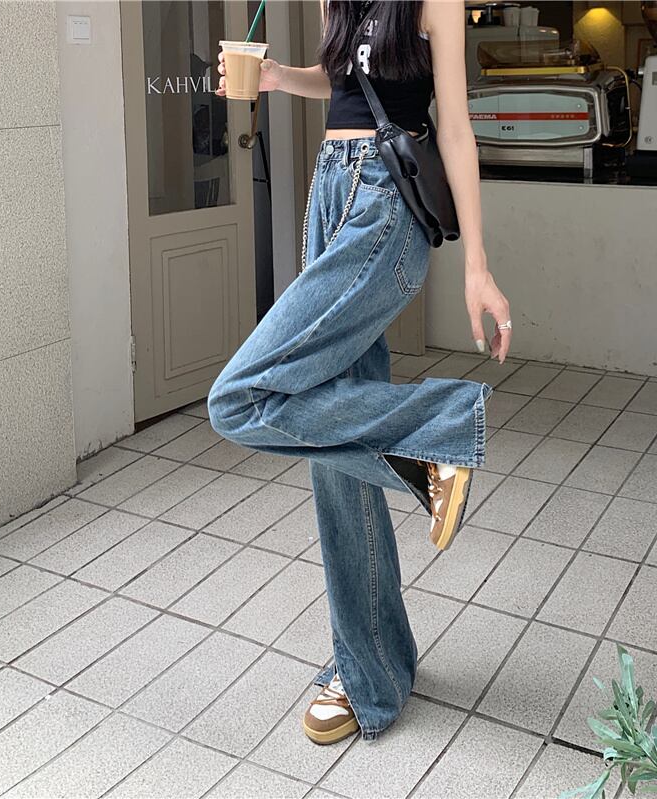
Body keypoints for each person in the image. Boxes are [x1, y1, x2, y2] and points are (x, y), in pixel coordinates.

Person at [208, 0, 512, 746]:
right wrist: (280, 77)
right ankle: (370, 668)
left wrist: (476, 264)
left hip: (383, 202)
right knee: (334, 452)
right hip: (330, 194)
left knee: (237, 399)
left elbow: (455, 126)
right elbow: (343, 78)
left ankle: (438, 431)